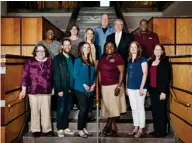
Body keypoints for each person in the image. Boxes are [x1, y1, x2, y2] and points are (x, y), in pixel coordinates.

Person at [19, 44, 53, 137]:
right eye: (39, 51)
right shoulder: (30, 61)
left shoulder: (50, 61)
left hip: (46, 90)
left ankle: (47, 129)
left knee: (46, 111)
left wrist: (53, 88)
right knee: (35, 111)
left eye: (43, 51)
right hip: (33, 90)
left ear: (45, 52)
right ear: (35, 52)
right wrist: (23, 90)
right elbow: (25, 76)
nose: (41, 53)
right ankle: (36, 129)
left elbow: (53, 76)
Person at [98, 41, 127, 136]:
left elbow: (122, 72)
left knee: (113, 107)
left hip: (115, 86)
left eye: (111, 46)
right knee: (109, 107)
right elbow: (99, 72)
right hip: (104, 87)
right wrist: (100, 86)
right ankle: (114, 127)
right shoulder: (102, 58)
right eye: (107, 46)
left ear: (115, 48)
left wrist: (119, 86)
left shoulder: (118, 57)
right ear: (104, 48)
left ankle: (108, 126)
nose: (109, 48)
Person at [52, 38, 75, 137]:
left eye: (68, 45)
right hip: (62, 88)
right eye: (65, 45)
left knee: (68, 108)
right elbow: (56, 75)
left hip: (71, 88)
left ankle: (65, 127)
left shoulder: (73, 58)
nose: (67, 46)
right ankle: (60, 128)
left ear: (71, 46)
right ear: (62, 46)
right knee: (61, 109)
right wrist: (58, 89)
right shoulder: (57, 58)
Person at [147, 44, 171, 137]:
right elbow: (149, 77)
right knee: (155, 111)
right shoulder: (150, 62)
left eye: (159, 49)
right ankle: (156, 129)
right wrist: (148, 89)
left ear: (162, 51)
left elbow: (166, 78)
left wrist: (163, 91)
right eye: (155, 49)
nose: (157, 51)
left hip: (160, 91)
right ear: (153, 51)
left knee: (161, 111)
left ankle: (161, 132)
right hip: (152, 90)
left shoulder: (165, 62)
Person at [73, 42, 96, 138]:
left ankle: (84, 127)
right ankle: (79, 129)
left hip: (90, 89)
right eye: (85, 47)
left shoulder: (91, 61)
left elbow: (94, 75)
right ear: (82, 49)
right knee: (83, 109)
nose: (86, 49)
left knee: (87, 109)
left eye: (88, 47)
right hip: (80, 88)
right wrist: (84, 85)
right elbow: (75, 74)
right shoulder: (78, 60)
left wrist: (94, 84)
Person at [126, 41, 148, 138]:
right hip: (130, 88)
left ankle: (141, 129)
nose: (133, 49)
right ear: (130, 49)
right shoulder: (129, 60)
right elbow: (127, 74)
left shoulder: (142, 59)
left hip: (140, 88)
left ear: (138, 48)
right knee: (134, 109)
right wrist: (126, 87)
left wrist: (141, 87)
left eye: (135, 47)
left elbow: (145, 74)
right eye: (131, 47)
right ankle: (136, 127)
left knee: (140, 108)